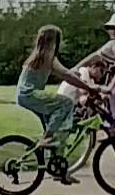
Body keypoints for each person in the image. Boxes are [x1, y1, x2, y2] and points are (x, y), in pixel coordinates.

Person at [13, 24, 83, 156]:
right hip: (30, 94)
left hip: (25, 95)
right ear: (52, 41)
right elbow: (65, 75)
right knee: (66, 103)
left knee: (55, 122)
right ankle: (47, 137)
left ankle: (56, 165)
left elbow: (66, 71)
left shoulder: (40, 56)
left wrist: (74, 74)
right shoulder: (47, 56)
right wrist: (89, 88)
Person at [73, 14, 115, 139]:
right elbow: (96, 56)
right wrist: (77, 67)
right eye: (111, 28)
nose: (113, 32)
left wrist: (110, 86)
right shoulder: (114, 44)